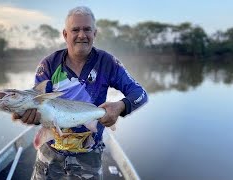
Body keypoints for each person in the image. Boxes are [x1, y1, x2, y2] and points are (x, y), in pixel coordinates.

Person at [13, 6, 148, 179]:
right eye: (75, 29)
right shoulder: (48, 64)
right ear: (65, 34)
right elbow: (40, 107)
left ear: (95, 33)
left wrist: (120, 106)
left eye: (87, 29)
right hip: (50, 151)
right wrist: (29, 115)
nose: (82, 35)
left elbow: (140, 94)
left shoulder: (107, 63)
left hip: (89, 154)